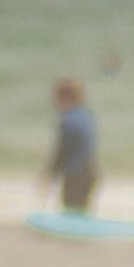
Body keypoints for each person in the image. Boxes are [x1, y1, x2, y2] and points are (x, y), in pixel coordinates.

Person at [40, 79, 98, 213]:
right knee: (81, 212)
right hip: (90, 172)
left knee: (71, 212)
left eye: (55, 97)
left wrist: (50, 174)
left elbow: (61, 152)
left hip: (76, 174)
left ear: (65, 98)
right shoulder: (86, 115)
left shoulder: (68, 121)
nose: (53, 102)